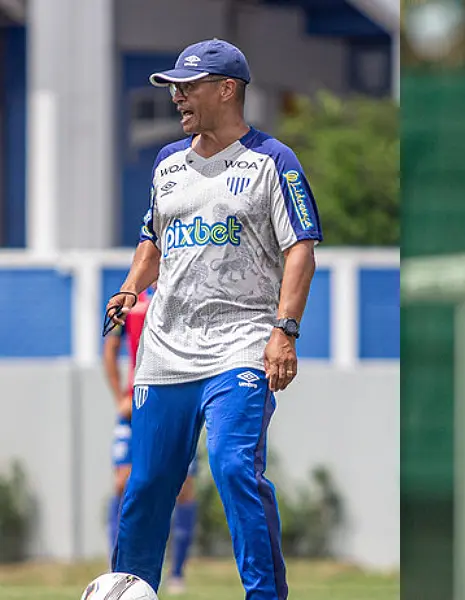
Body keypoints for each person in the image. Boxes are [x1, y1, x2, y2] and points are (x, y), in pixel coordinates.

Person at [103, 38, 322, 600]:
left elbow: (301, 249)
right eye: (173, 86)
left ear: (226, 89)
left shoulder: (272, 162)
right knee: (147, 486)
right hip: (165, 353)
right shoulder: (167, 165)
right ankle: (132, 590)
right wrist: (131, 287)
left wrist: (284, 331)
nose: (177, 96)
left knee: (231, 468)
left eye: (188, 85)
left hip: (242, 347)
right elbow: (152, 242)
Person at [102, 284, 198, 595]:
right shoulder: (132, 300)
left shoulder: (188, 292)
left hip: (174, 400)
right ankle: (117, 567)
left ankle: (178, 572)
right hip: (136, 399)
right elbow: (109, 350)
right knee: (122, 482)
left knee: (183, 487)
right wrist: (119, 396)